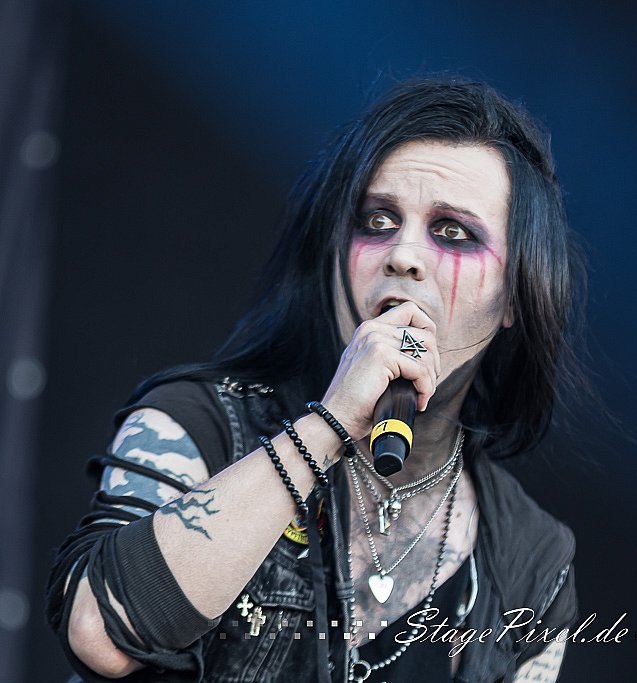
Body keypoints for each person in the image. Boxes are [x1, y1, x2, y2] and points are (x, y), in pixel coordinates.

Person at [46, 78, 584, 682]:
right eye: (378, 220)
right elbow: (100, 632)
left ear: (515, 296)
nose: (403, 254)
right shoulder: (192, 425)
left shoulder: (533, 562)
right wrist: (330, 424)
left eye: (452, 231)